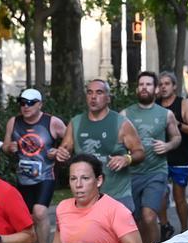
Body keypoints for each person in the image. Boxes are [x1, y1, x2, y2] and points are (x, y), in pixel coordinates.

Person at [53, 79, 146, 214]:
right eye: (90, 93)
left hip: (117, 196)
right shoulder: (76, 122)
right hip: (86, 197)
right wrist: (61, 155)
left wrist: (127, 159)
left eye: (99, 92)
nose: (93, 97)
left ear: (108, 98)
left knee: (122, 235)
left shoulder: (121, 123)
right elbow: (64, 152)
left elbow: (140, 152)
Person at [3, 88, 65, 243]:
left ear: (40, 104)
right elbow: (5, 146)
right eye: (22, 103)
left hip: (45, 176)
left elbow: (70, 141)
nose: (26, 107)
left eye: (30, 103)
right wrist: (9, 147)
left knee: (39, 212)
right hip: (23, 178)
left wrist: (59, 151)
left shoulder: (52, 122)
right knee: (21, 219)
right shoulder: (14, 122)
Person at [124, 71, 181, 243]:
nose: (144, 88)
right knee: (137, 218)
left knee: (149, 216)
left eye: (148, 84)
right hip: (132, 173)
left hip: (156, 171)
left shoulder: (166, 114)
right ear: (137, 89)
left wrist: (168, 146)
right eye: (141, 84)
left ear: (156, 89)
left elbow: (177, 137)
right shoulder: (125, 114)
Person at [158, 72, 188, 236]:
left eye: (167, 84)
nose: (163, 87)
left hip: (180, 156)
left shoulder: (183, 103)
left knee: (179, 197)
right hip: (159, 158)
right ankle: (165, 226)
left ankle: (185, 230)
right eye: (161, 84)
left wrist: (175, 122)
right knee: (160, 195)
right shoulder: (155, 105)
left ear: (174, 86)